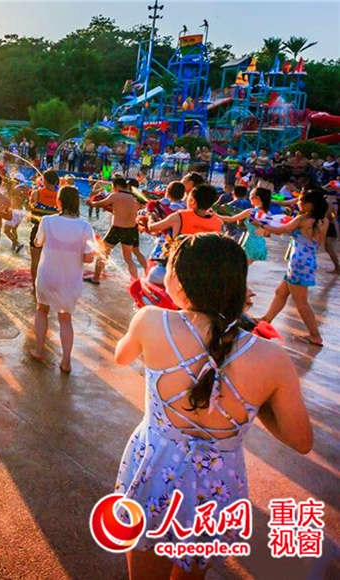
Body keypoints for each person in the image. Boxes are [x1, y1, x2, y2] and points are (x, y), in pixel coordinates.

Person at [113, 233, 312, 578]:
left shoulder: (150, 320)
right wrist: (257, 402)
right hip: (219, 480)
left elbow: (121, 357)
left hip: (156, 466)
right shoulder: (271, 357)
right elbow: (301, 440)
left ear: (180, 278)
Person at [30, 186, 96, 372]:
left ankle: (39, 350)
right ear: (76, 202)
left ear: (58, 202)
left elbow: (37, 243)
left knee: (42, 310)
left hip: (47, 275)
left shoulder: (47, 220)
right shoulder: (86, 227)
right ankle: (66, 361)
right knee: (65, 319)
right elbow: (89, 257)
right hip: (70, 279)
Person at [259, 190, 329, 346]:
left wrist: (261, 223)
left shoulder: (302, 219)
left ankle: (315, 335)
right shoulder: (324, 221)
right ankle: (266, 320)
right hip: (309, 261)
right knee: (281, 292)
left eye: (301, 201)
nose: (298, 203)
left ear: (310, 205)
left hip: (297, 262)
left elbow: (280, 230)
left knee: (301, 303)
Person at [88, 176, 143, 283]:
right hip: (131, 230)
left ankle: (96, 278)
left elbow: (101, 203)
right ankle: (136, 282)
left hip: (117, 229)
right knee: (128, 259)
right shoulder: (135, 199)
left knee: (102, 253)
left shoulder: (116, 195)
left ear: (116, 186)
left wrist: (90, 203)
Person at [147, 184, 222, 238]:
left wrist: (151, 215)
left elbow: (152, 228)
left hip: (180, 258)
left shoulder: (180, 216)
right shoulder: (218, 223)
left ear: (192, 201)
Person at [29, 170, 61, 289]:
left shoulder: (36, 193)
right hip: (55, 231)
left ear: (45, 180)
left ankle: (35, 285)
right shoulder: (60, 195)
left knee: (35, 260)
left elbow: (31, 208)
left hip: (38, 229)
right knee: (52, 260)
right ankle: (50, 285)